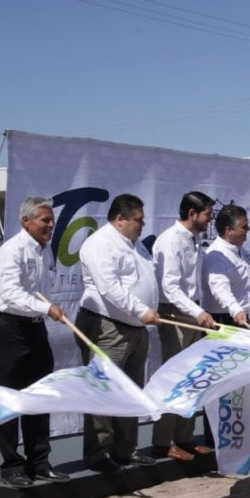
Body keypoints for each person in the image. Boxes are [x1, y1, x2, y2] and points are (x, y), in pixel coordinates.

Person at [0, 197, 70, 487]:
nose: (50, 225)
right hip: (9, 329)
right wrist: (47, 308)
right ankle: (11, 466)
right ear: (26, 221)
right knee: (9, 398)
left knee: (39, 394)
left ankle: (39, 461)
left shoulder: (45, 251)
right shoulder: (12, 251)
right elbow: (11, 294)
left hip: (35, 329)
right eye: (45, 220)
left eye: (51, 220)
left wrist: (47, 308)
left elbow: (39, 292)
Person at [76, 193, 160, 472]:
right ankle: (99, 452)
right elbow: (109, 287)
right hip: (108, 326)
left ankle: (126, 449)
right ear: (120, 218)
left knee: (131, 390)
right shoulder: (100, 244)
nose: (142, 225)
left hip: (137, 327)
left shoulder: (136, 246)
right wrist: (140, 310)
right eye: (138, 220)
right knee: (103, 388)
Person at [151, 191, 217, 462]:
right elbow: (170, 287)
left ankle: (185, 438)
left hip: (192, 312)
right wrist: (198, 312)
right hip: (175, 314)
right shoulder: (170, 241)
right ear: (192, 214)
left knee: (193, 379)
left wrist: (199, 311)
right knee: (175, 379)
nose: (209, 220)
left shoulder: (195, 239)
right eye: (207, 215)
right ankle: (162, 442)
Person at [203, 204, 250, 328]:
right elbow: (220, 288)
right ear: (228, 230)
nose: (248, 229)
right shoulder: (216, 255)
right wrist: (236, 309)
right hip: (223, 320)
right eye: (244, 227)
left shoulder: (242, 251)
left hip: (241, 316)